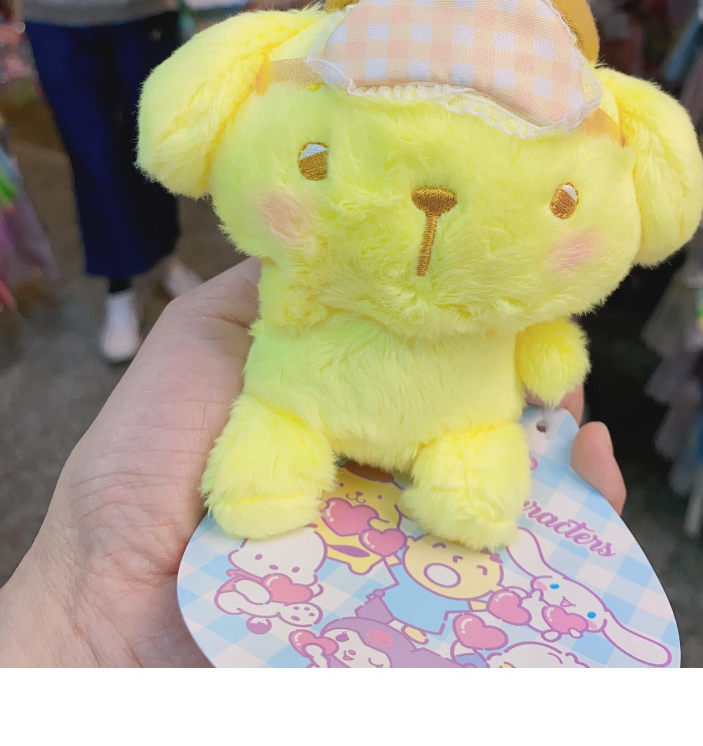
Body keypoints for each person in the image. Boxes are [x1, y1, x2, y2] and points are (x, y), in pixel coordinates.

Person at [0, 259, 626, 667]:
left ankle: (463, 468)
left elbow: (547, 346)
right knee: (277, 422)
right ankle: (282, 445)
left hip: (464, 416)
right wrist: (82, 618)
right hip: (308, 402)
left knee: (477, 477)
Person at [0, 0, 201, 363]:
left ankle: (164, 254)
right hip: (57, 10)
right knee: (92, 152)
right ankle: (119, 283)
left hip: (144, 3)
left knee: (156, 144)